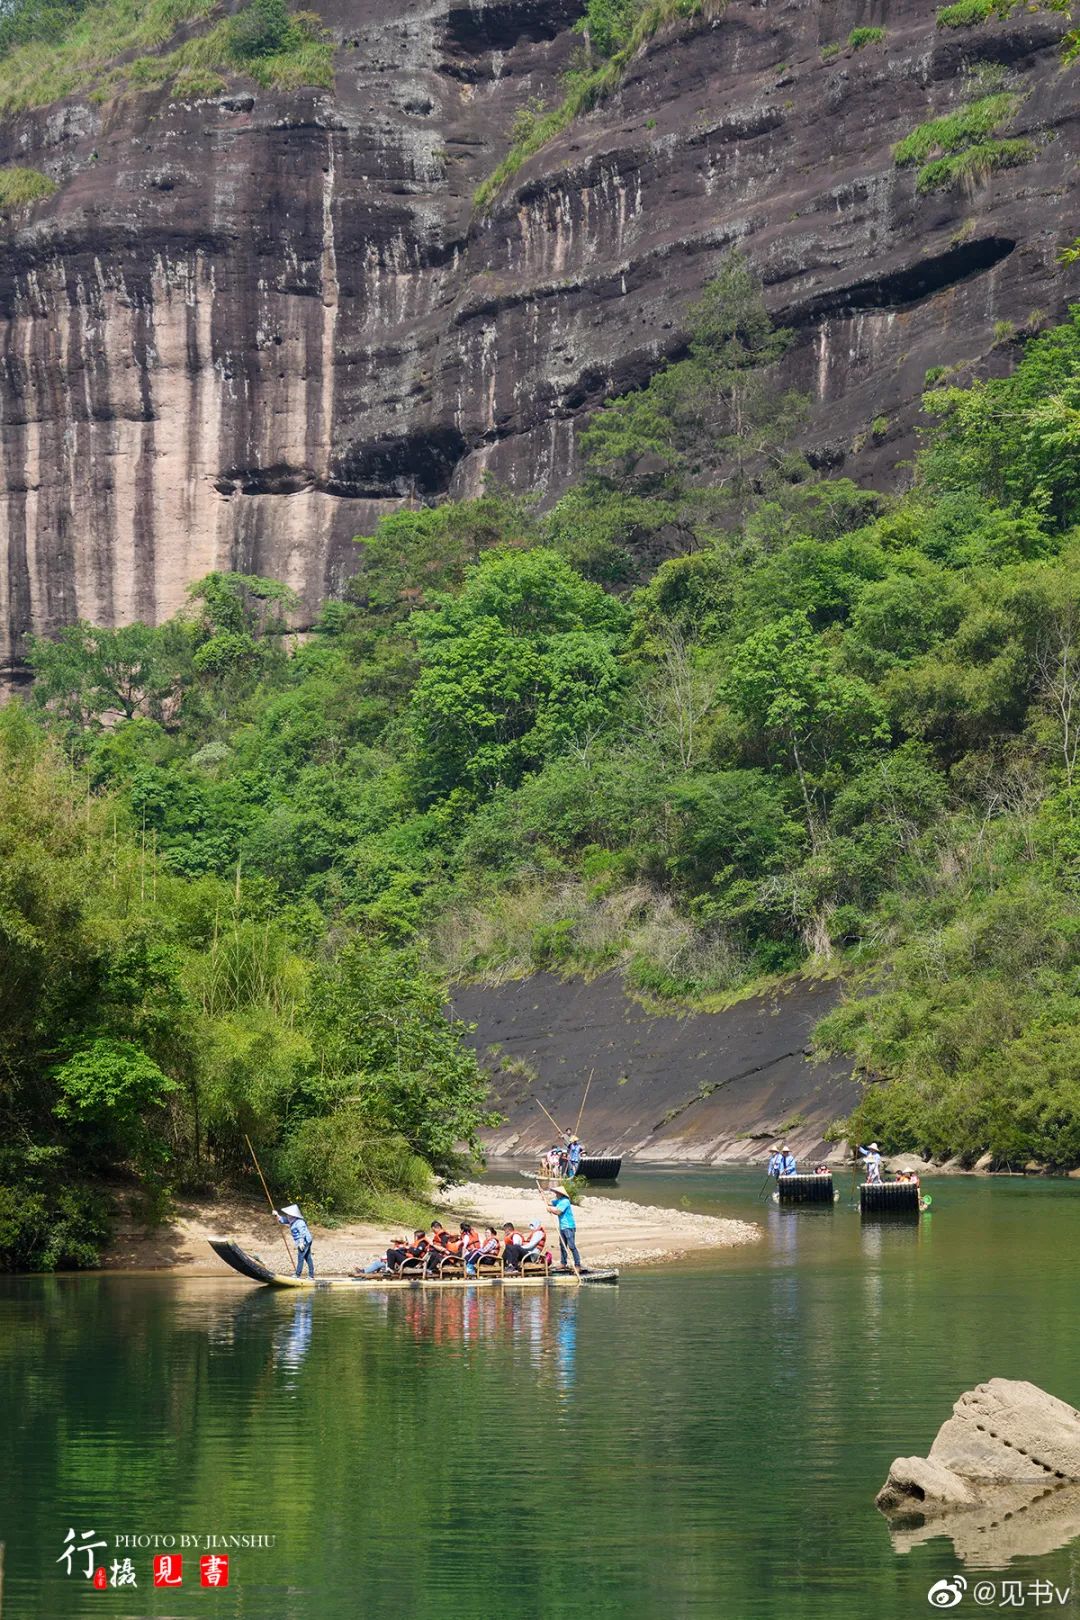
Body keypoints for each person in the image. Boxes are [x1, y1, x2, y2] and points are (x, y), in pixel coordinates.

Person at [546, 1187, 582, 1273]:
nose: (556, 1194)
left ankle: (577, 1265)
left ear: (561, 1194)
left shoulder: (565, 1201)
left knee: (571, 1246)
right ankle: (563, 1263)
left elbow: (558, 1212)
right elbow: (549, 1203)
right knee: (562, 1245)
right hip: (562, 1227)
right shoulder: (558, 1201)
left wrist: (550, 1210)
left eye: (557, 1193)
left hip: (568, 1226)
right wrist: (542, 1194)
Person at [276, 1203, 314, 1279]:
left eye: (289, 1214)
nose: (287, 1216)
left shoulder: (299, 1222)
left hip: (304, 1241)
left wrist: (301, 1242)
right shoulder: (291, 1220)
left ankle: (297, 1275)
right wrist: (276, 1215)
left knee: (301, 1257)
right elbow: (282, 1220)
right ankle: (311, 1275)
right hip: (303, 1241)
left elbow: (302, 1233)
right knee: (307, 1257)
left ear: (293, 1215)